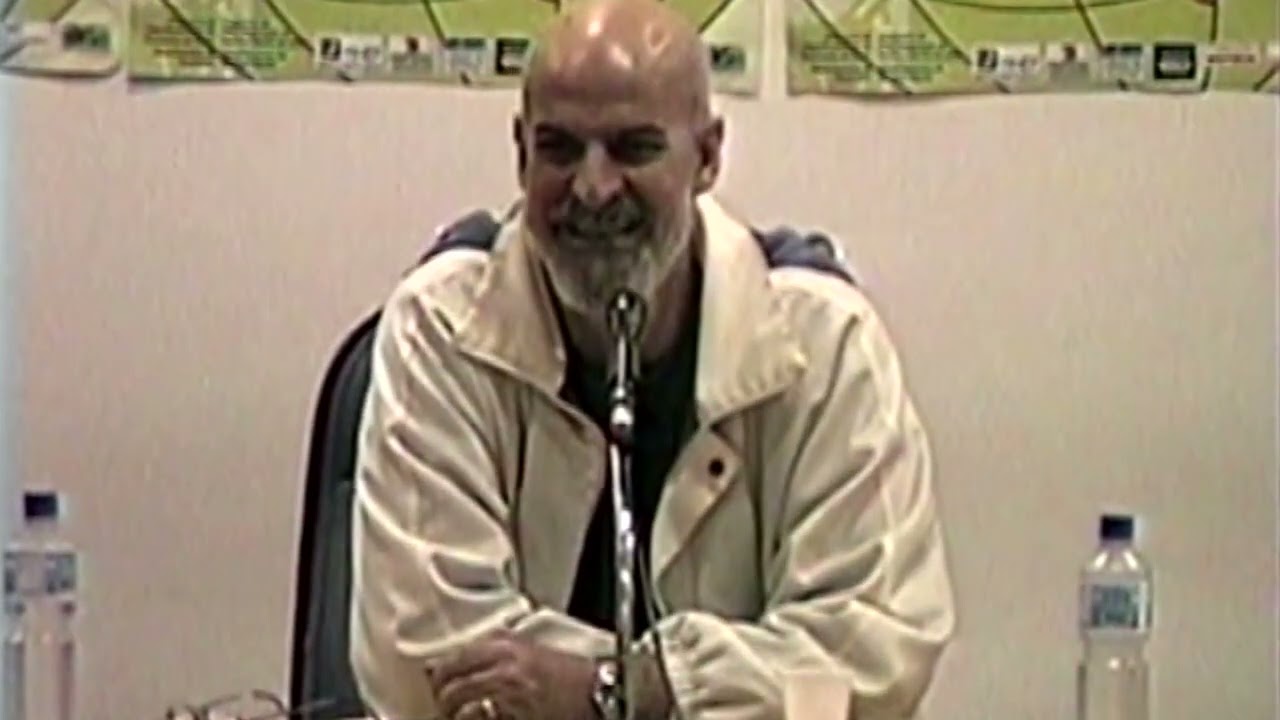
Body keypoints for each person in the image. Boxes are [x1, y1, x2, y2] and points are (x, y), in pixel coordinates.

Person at [348, 0, 956, 718]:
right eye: (559, 149)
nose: (593, 188)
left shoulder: (827, 343)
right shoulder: (440, 329)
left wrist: (629, 688)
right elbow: (421, 663)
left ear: (708, 157)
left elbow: (870, 668)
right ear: (520, 153)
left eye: (633, 149)